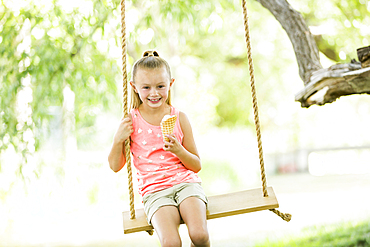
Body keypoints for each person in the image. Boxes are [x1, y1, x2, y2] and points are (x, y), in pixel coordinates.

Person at [108, 50, 210, 247]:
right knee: (171, 242)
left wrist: (178, 150)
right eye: (146, 87)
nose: (154, 93)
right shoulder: (131, 122)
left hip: (186, 185)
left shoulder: (179, 118)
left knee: (199, 235)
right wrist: (117, 139)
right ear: (134, 87)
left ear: (170, 84)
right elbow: (114, 165)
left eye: (160, 86)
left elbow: (196, 166)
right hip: (155, 191)